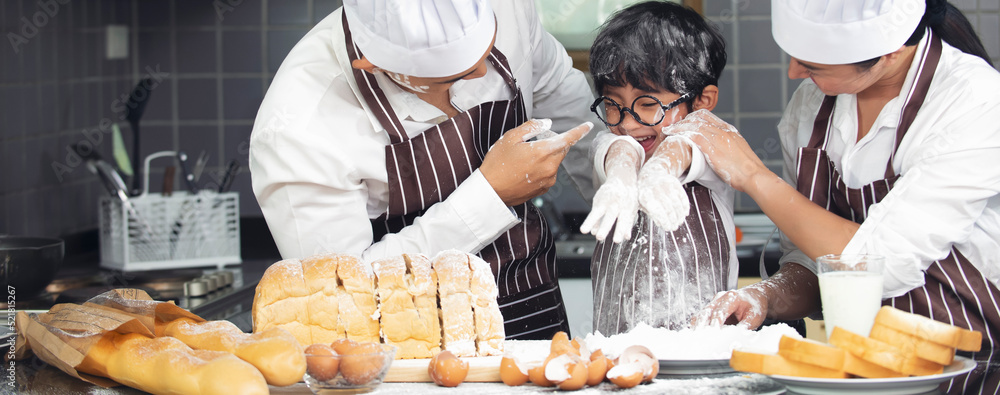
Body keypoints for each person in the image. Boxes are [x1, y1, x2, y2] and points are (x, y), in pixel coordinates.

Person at [249, 0, 599, 340]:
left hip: (532, 302)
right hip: (413, 338)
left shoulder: (508, 8)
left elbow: (574, 110)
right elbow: (344, 296)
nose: (482, 72)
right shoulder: (300, 128)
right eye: (453, 77)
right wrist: (489, 196)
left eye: (486, 47)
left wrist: (618, 170)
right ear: (371, 64)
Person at [688, 0, 1000, 360]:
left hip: (974, 365)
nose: (793, 73)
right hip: (861, 367)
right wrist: (767, 297)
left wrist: (753, 176)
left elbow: (882, 263)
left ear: (891, 54)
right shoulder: (813, 104)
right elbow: (813, 261)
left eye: (812, 65)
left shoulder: (975, 101)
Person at [578, 1, 736, 334]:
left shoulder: (717, 145)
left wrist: (661, 170)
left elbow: (687, 144)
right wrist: (622, 175)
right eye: (612, 105)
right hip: (618, 356)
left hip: (702, 351)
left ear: (703, 102)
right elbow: (613, 147)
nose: (629, 124)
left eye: (648, 104)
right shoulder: (613, 157)